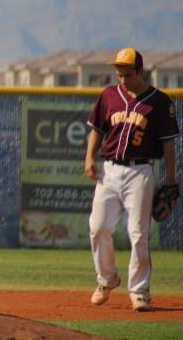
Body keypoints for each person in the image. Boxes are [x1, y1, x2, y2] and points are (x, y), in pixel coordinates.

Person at [84, 48, 180, 312]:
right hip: (110, 169)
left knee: (138, 233)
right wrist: (89, 158)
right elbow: (97, 129)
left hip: (141, 171)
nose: (122, 80)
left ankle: (139, 292)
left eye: (127, 74)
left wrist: (171, 179)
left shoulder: (159, 102)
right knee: (98, 227)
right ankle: (106, 279)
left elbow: (169, 144)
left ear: (139, 71)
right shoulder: (109, 95)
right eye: (119, 74)